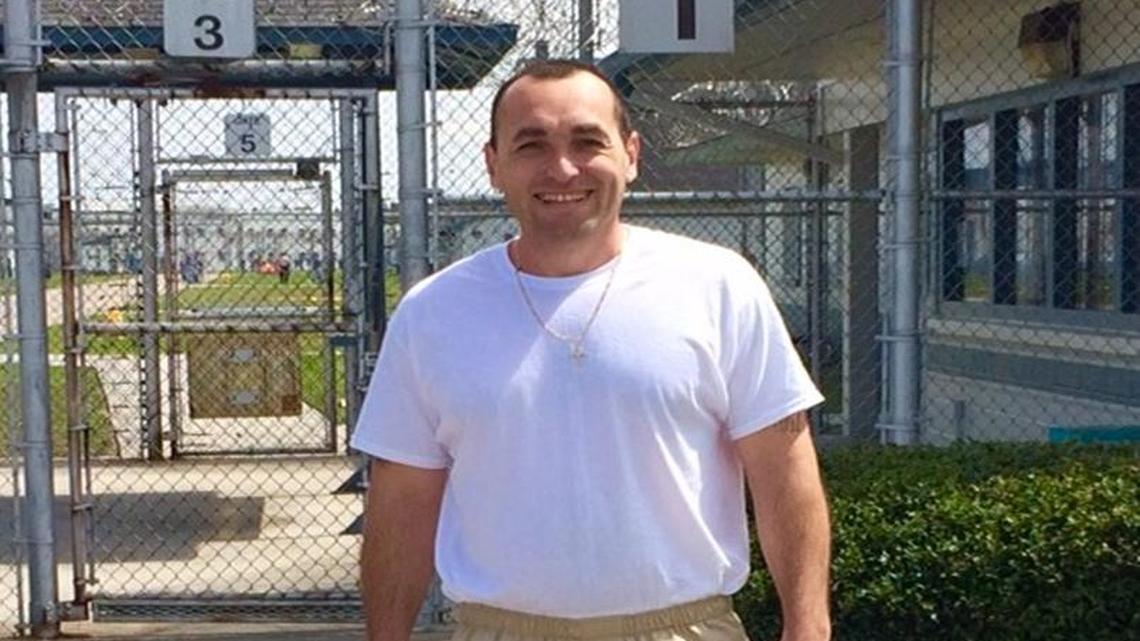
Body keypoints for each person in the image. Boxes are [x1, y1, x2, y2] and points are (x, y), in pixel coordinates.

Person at [350, 59, 831, 641]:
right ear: (493, 164)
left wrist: (808, 626)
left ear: (630, 154)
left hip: (685, 628)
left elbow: (783, 467)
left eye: (587, 141)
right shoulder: (432, 314)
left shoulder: (717, 285)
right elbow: (402, 501)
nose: (562, 168)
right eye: (531, 145)